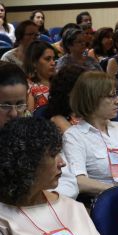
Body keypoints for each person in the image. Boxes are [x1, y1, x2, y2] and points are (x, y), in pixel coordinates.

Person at [0, 62, 77, 199]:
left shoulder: (34, 132)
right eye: (5, 106)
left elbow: (69, 182)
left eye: (20, 104)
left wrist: (36, 198)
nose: (14, 113)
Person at [63, 71, 118, 197]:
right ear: (92, 99)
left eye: (117, 95)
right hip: (108, 201)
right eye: (112, 96)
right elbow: (80, 182)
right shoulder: (74, 136)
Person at [45, 64, 84, 134]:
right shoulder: (57, 119)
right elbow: (77, 138)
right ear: (69, 91)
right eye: (84, 87)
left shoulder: (88, 113)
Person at [24, 40, 55, 112]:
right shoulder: (27, 87)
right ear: (34, 62)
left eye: (53, 59)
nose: (53, 63)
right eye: (47, 59)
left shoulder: (61, 81)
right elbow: (29, 116)